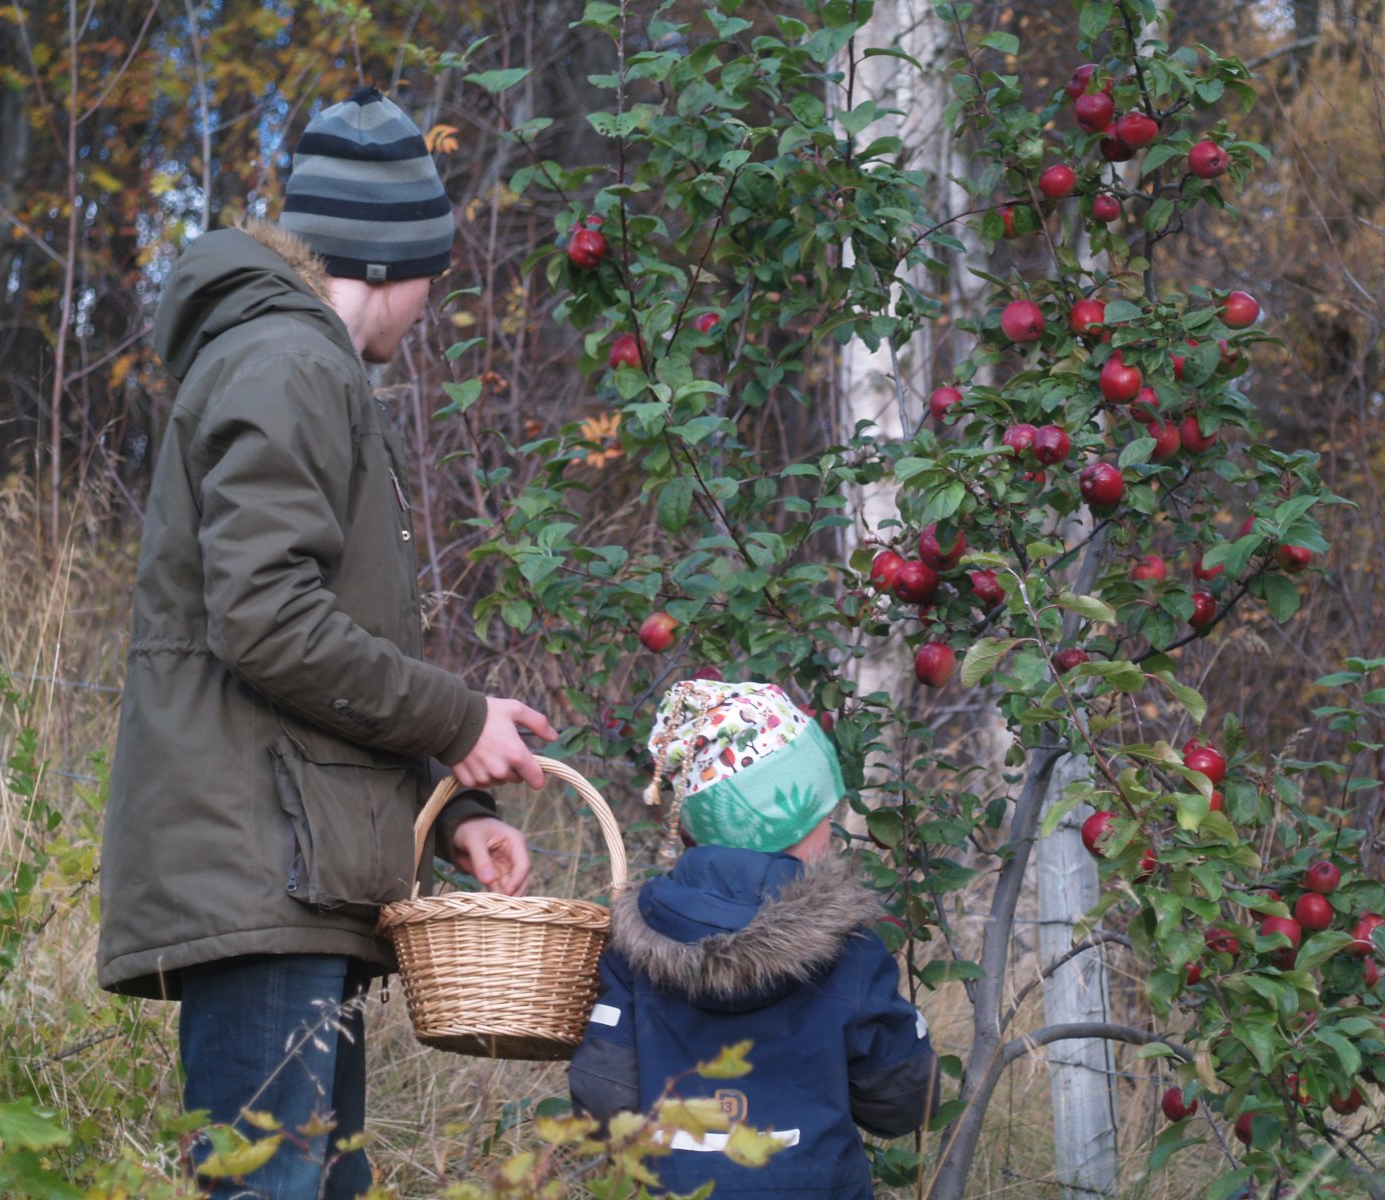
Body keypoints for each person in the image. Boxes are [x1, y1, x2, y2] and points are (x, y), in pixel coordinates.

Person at [96, 86, 557, 1199]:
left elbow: (318, 646)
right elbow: (265, 619)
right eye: (434, 283)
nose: (427, 313)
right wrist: (459, 720)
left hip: (297, 872)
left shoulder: (297, 366)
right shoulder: (290, 364)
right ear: (392, 263)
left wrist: (452, 814)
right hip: (262, 880)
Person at [569, 680, 939, 1199]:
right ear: (800, 820)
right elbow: (903, 1103)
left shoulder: (637, 940)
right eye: (826, 817)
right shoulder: (850, 949)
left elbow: (603, 1096)